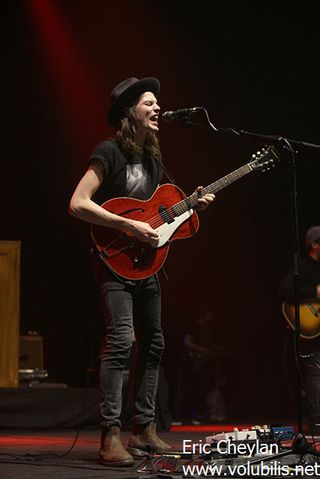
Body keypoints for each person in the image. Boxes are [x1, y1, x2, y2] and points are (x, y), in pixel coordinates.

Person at [69, 77, 214, 466]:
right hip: (113, 261)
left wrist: (192, 205)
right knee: (121, 342)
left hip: (148, 265)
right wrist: (129, 227)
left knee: (154, 343)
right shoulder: (109, 151)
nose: (157, 110)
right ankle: (109, 437)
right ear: (130, 110)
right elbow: (78, 203)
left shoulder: (153, 159)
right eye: (149, 103)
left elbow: (161, 213)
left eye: (157, 103)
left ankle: (144, 430)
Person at [279, 225, 320, 434]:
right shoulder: (304, 267)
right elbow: (285, 290)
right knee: (314, 370)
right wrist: (315, 291)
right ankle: (316, 421)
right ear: (314, 244)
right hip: (311, 326)